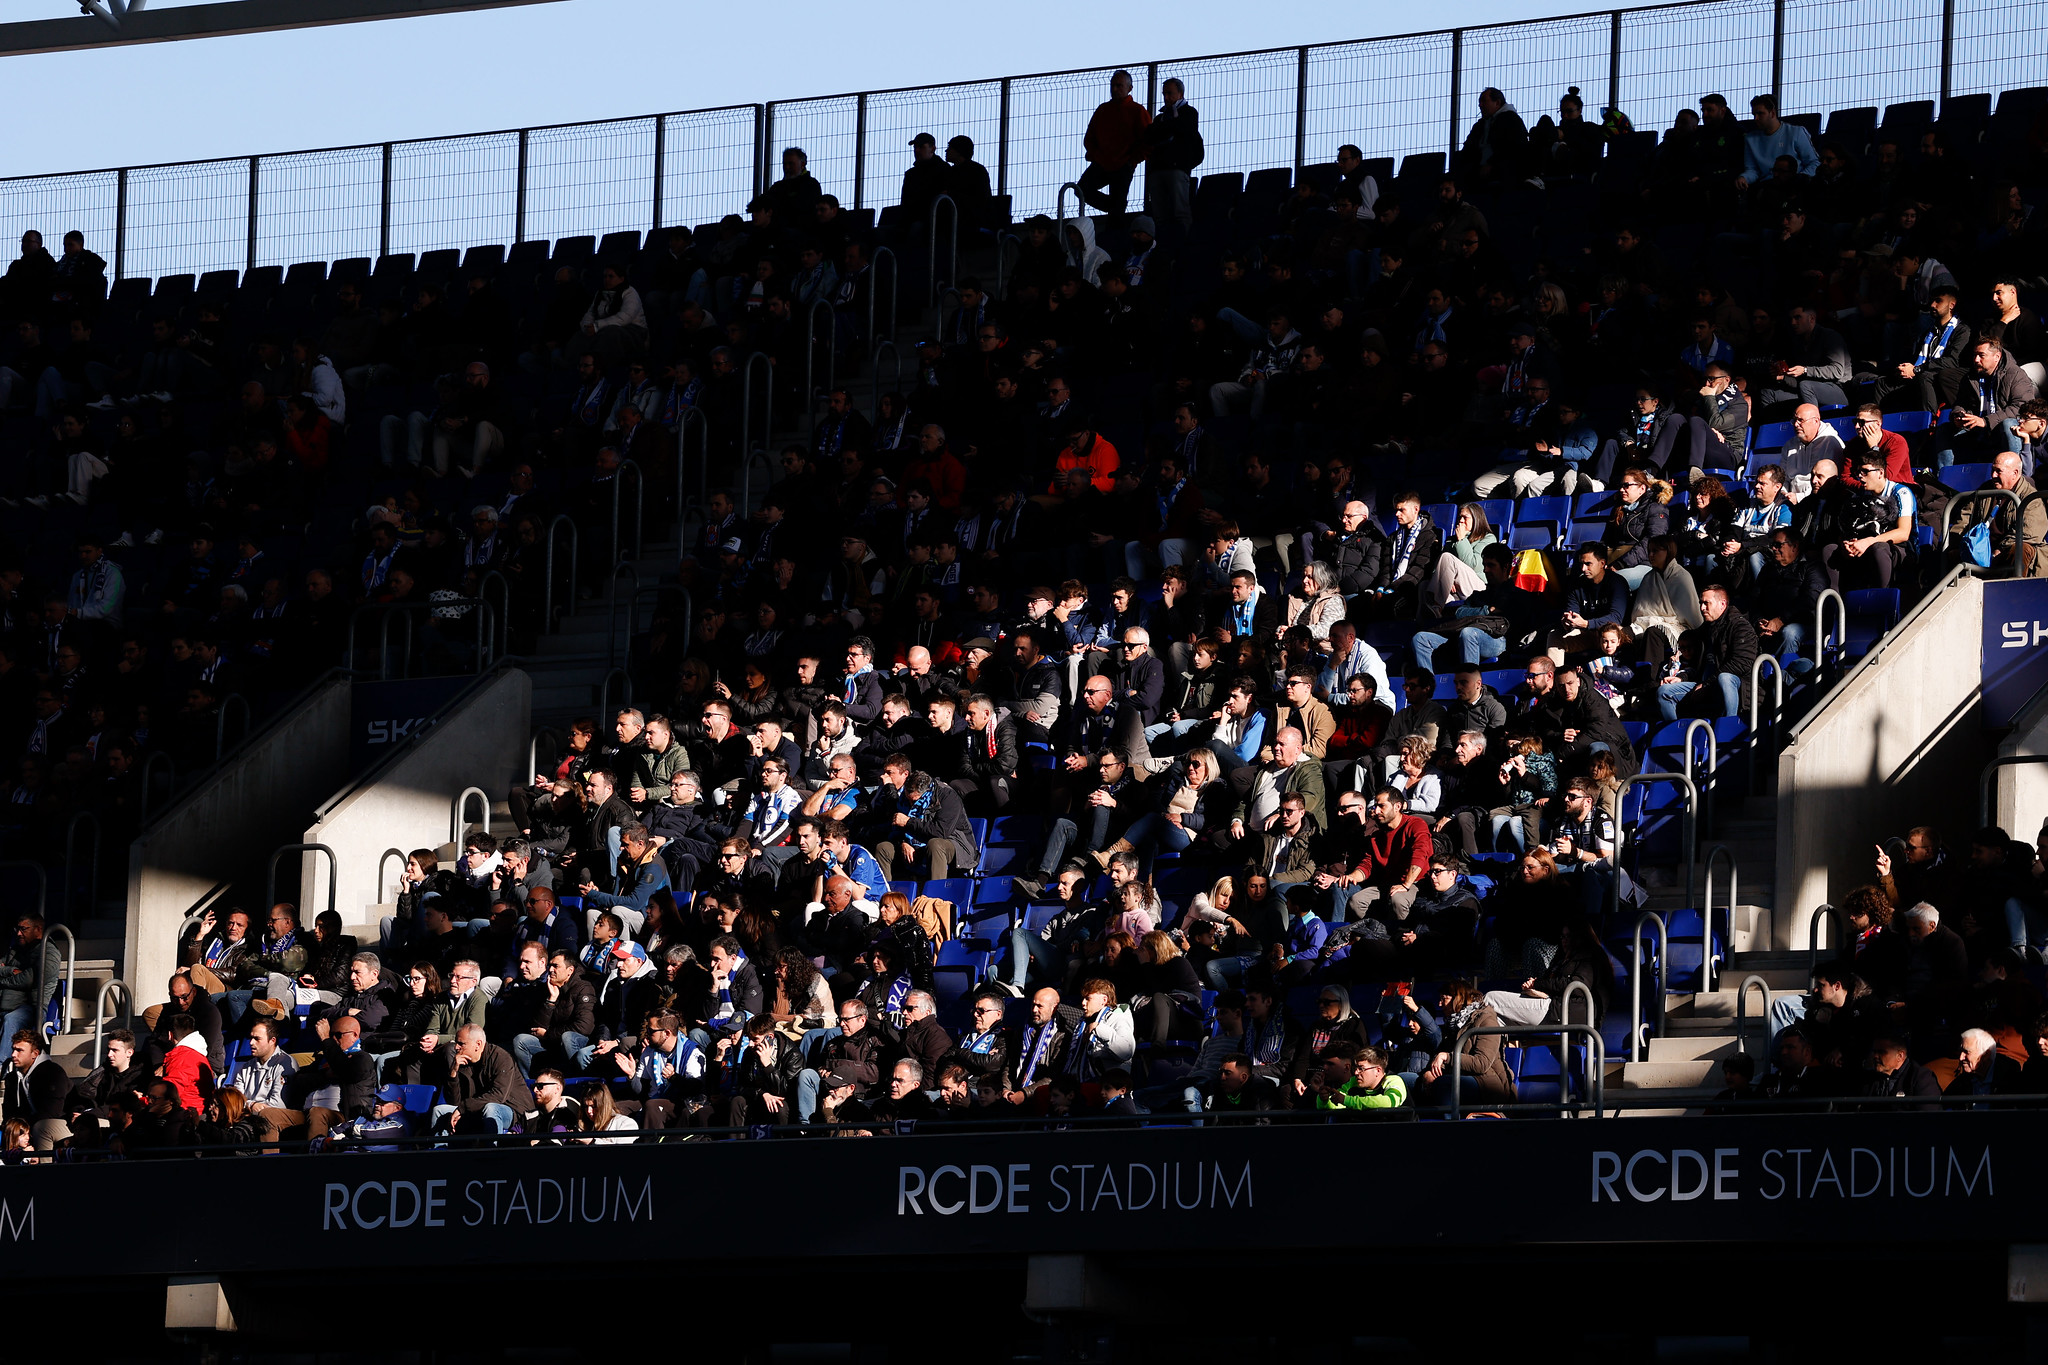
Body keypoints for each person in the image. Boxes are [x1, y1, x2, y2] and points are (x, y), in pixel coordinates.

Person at [1077, 70, 1151, 217]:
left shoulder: (1137, 111)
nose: (1114, 89)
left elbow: (1148, 141)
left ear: (1129, 88)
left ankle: (1115, 211)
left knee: (1085, 190)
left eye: (1119, 86)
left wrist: (1131, 160)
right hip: (1105, 163)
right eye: (1113, 86)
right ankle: (1115, 208)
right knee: (1082, 189)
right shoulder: (1104, 109)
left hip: (1122, 165)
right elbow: (1089, 138)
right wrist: (1097, 156)